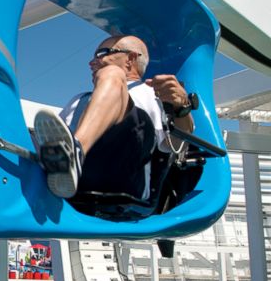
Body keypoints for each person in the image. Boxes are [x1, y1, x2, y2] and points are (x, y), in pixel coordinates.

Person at [33, 35, 195, 200]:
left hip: (123, 179)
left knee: (113, 73)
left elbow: (176, 145)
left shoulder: (155, 94)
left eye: (102, 54)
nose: (91, 62)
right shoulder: (79, 99)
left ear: (130, 59)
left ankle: (74, 153)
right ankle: (64, 160)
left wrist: (182, 107)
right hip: (71, 182)